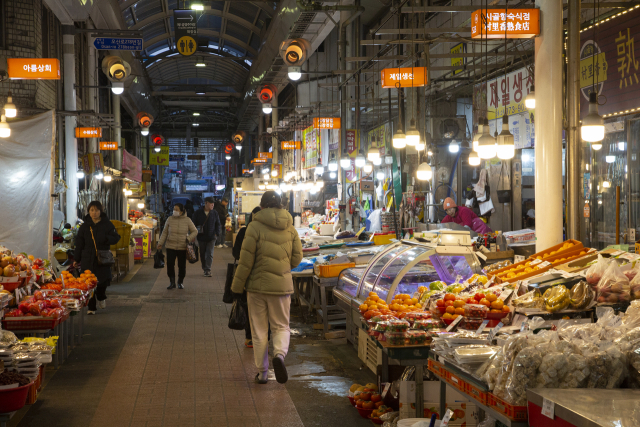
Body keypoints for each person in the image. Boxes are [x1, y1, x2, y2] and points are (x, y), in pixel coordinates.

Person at [231, 191, 303, 385]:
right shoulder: (290, 227)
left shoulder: (254, 227)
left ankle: (262, 373)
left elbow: (245, 262)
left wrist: (236, 287)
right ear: (280, 205)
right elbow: (297, 258)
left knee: (259, 330)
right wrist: (282, 267)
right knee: (281, 326)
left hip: (257, 287)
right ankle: (279, 355)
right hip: (282, 287)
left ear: (262, 206)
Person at [74, 201, 121, 315]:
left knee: (102, 282)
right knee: (88, 283)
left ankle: (101, 297)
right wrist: (77, 259)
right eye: (91, 210)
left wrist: (105, 238)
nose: (94, 213)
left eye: (96, 210)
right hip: (87, 258)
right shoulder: (85, 226)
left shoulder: (107, 224)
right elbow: (79, 243)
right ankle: (91, 307)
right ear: (88, 212)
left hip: (102, 258)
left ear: (101, 211)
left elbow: (116, 237)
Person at [232, 206, 268, 348]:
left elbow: (236, 254)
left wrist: (236, 287)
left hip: (249, 279)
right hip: (268, 280)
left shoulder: (244, 232)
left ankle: (251, 338)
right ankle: (267, 339)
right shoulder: (272, 232)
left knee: (250, 310)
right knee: (268, 311)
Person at [158, 203, 198, 290]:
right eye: (174, 209)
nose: (174, 211)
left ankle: (180, 282)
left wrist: (188, 238)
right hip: (170, 246)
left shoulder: (187, 220)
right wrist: (160, 243)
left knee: (181, 265)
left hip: (182, 247)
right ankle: (172, 282)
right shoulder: (170, 219)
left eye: (176, 209)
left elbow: (195, 231)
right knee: (170, 265)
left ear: (181, 211)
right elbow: (164, 232)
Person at [192, 196, 221, 277]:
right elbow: (193, 223)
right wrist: (194, 234)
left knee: (210, 253)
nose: (212, 205)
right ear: (206, 203)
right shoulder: (198, 212)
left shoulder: (214, 213)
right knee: (202, 253)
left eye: (213, 204)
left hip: (212, 237)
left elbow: (218, 224)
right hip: (201, 237)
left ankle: (207, 269)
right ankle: (204, 268)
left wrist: (216, 234)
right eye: (211, 203)